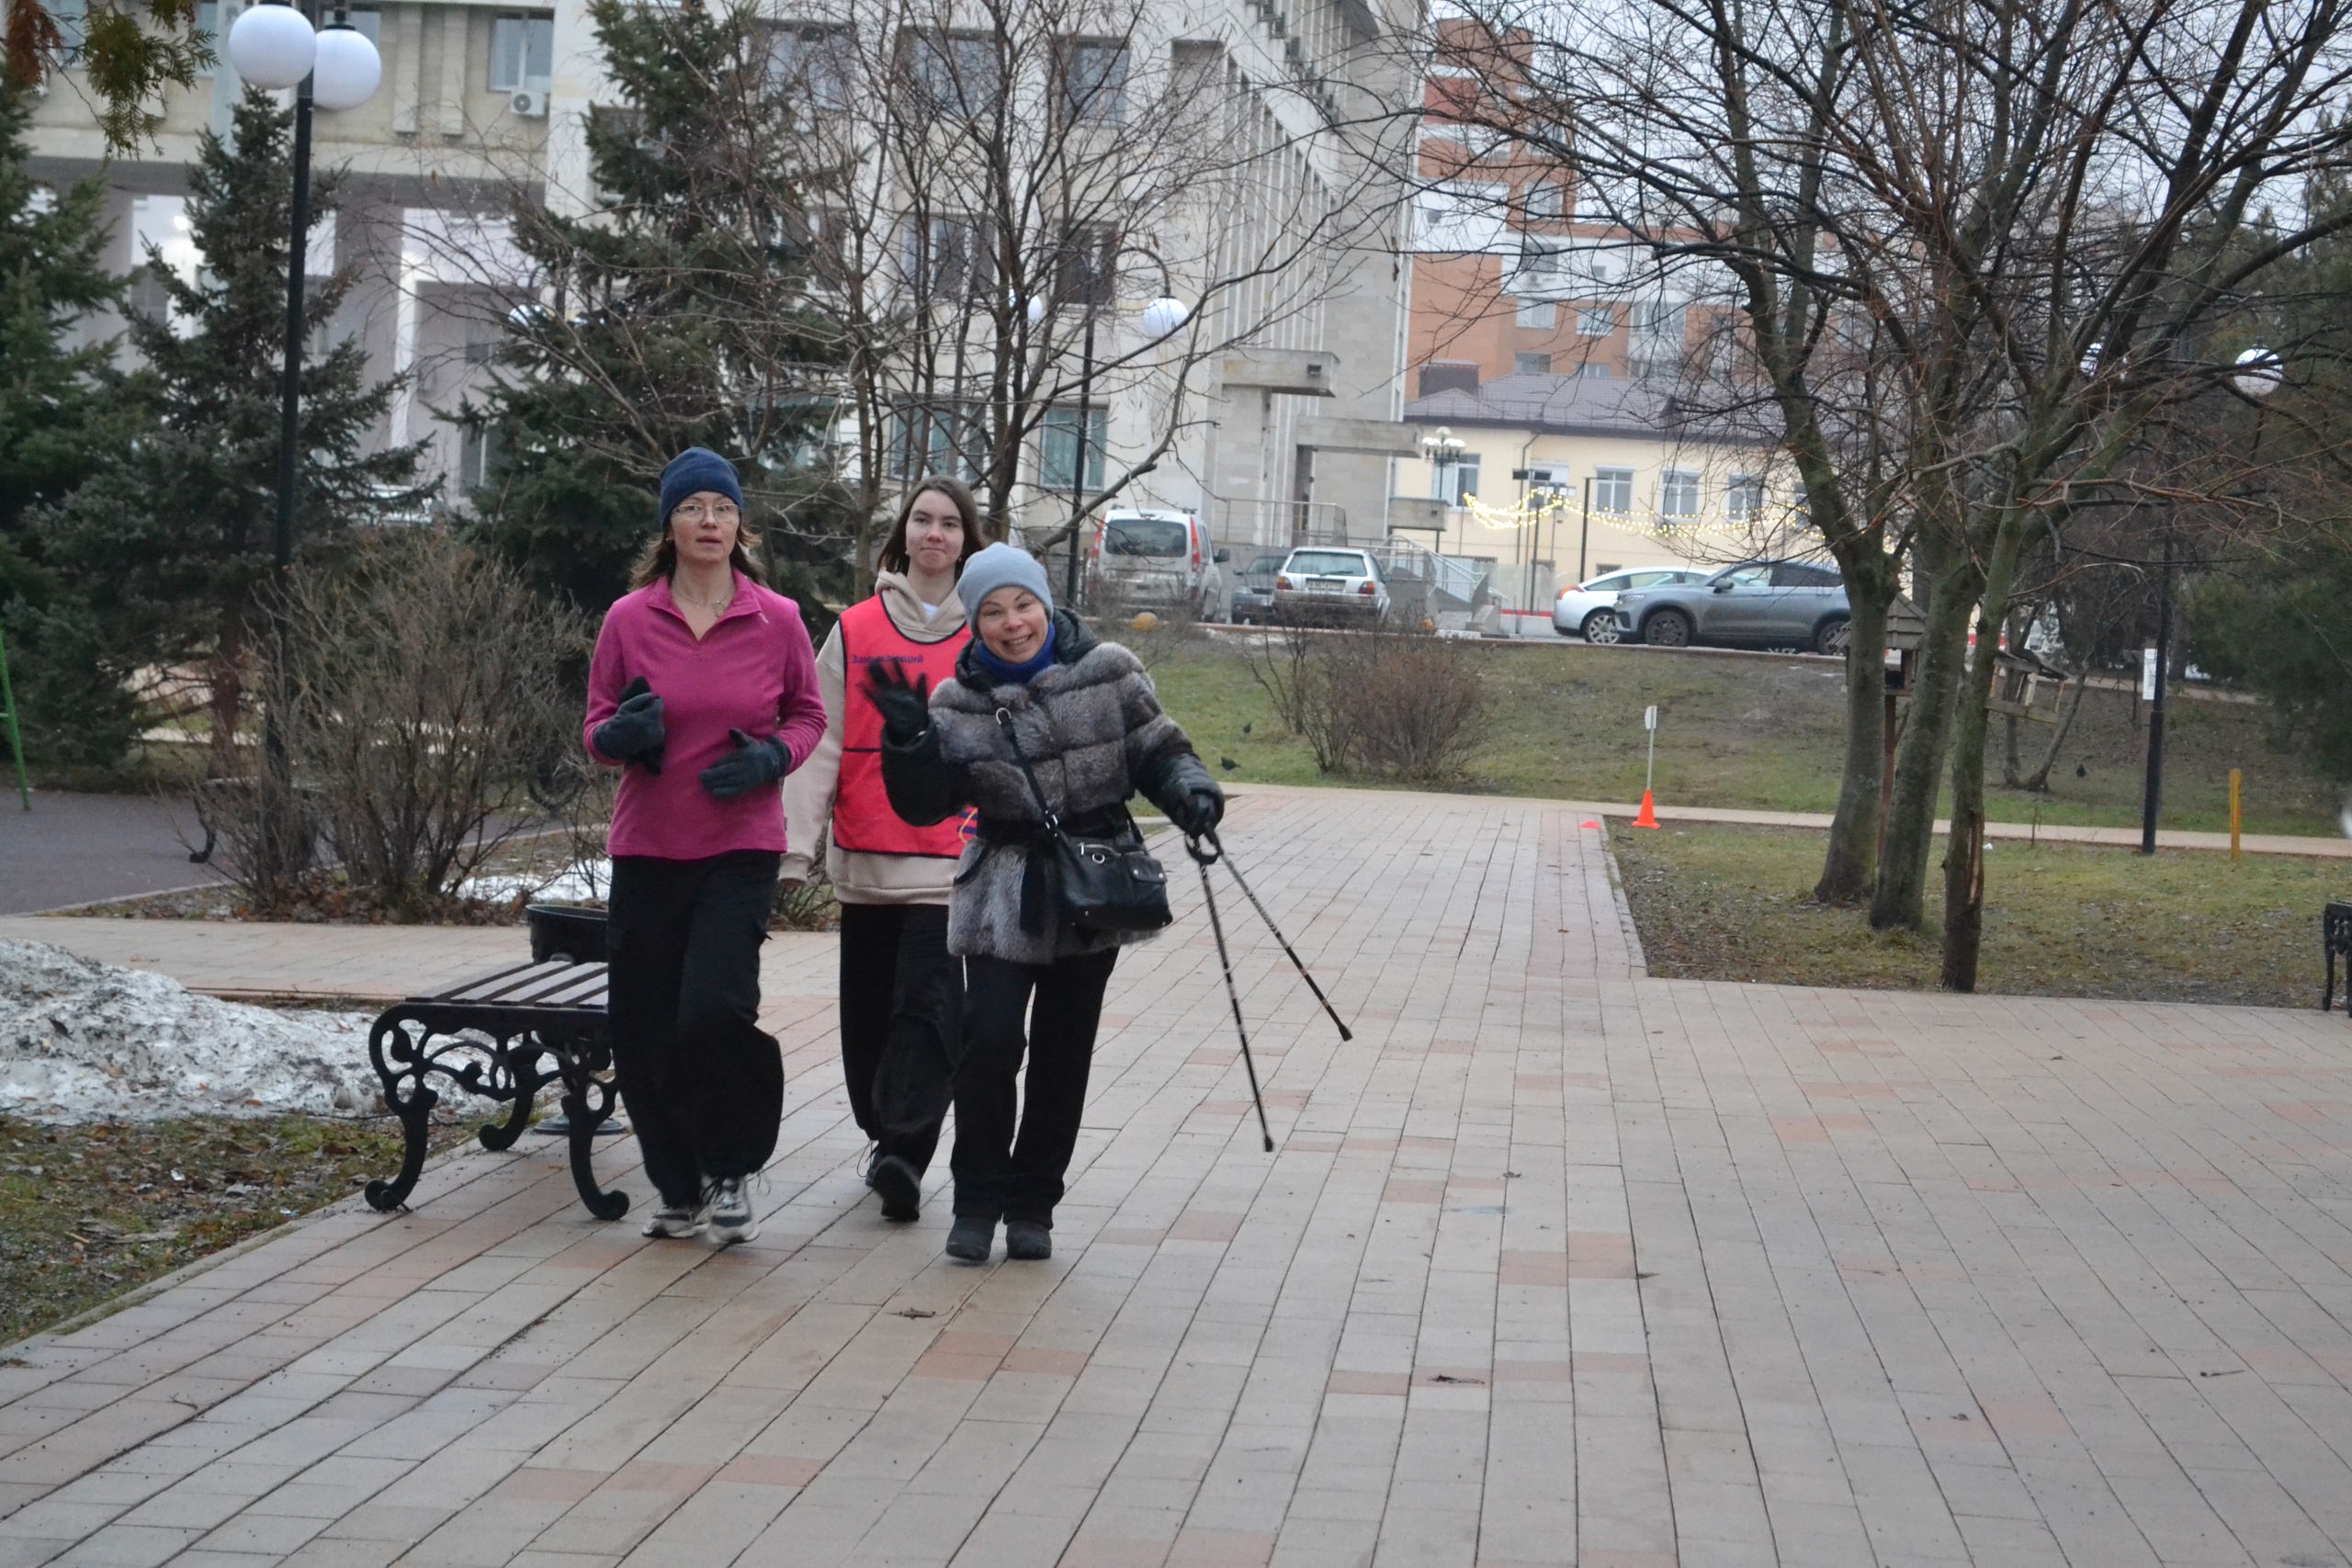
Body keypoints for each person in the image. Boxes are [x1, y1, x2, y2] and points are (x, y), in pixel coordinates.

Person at [875, 543, 1225, 1263]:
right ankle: (976, 1199)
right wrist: (908, 740)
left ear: (1046, 603)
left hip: (1091, 889)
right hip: (1002, 889)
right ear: (974, 622)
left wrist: (1191, 790)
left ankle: (1033, 1203)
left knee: (1064, 1053)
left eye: (1023, 605)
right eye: (994, 612)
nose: (1013, 623)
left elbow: (1158, 748)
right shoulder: (957, 702)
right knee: (990, 1040)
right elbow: (924, 804)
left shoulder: (1110, 672)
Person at [582, 447, 827, 1247]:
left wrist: (772, 757)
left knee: (713, 1012)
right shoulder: (628, 619)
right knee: (644, 1027)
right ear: (669, 526)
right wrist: (622, 736)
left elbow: (808, 715)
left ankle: (729, 1168)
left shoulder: (776, 618)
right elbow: (596, 728)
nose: (709, 521)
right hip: (649, 848)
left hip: (738, 847)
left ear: (740, 525)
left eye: (722, 508)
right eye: (692, 508)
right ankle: (677, 1187)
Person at [784, 479, 987, 1223]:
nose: (935, 533)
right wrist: (794, 847)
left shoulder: (985, 632)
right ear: (903, 534)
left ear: (966, 539)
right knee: (869, 1017)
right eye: (922, 520)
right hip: (867, 857)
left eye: (950, 523)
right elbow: (821, 740)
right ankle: (883, 1130)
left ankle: (905, 1149)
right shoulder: (856, 629)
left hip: (951, 860)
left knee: (929, 1007)